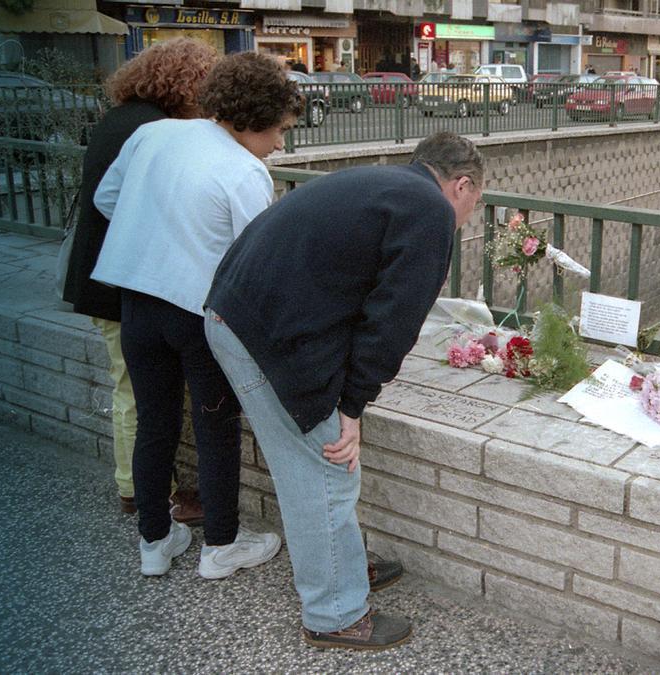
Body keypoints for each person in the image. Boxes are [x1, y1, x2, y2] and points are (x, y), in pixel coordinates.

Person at [203, 131, 484, 650]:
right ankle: (335, 612)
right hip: (263, 334)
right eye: (474, 203)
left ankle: (343, 567)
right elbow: (392, 323)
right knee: (325, 468)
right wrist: (351, 407)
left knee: (311, 464)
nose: (467, 215)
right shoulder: (430, 212)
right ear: (462, 186)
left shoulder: (384, 183)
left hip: (234, 311)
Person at [91, 52, 302, 578]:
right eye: (278, 130)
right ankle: (221, 547)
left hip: (136, 300)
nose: (280, 144)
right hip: (197, 313)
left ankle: (154, 543)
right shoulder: (244, 171)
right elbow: (259, 261)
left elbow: (106, 197)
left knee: (154, 423)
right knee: (216, 427)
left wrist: (161, 230)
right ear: (252, 120)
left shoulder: (155, 134)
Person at [62, 38, 218, 520]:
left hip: (103, 275)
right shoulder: (156, 127)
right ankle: (142, 491)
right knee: (134, 392)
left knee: (130, 387)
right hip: (121, 283)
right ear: (187, 83)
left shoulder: (122, 118)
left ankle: (142, 486)